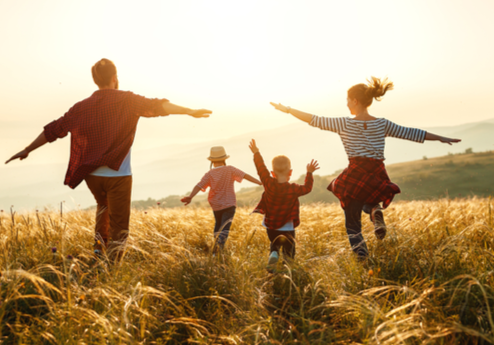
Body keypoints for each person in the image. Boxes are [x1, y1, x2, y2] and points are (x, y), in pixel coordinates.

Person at [6, 58, 212, 260]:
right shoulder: (127, 100)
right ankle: (112, 267)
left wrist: (27, 149)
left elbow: (54, 129)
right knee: (119, 225)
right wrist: (189, 111)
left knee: (103, 208)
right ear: (115, 77)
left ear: (96, 80)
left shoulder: (81, 107)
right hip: (118, 175)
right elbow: (158, 106)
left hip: (92, 176)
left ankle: (98, 251)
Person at [270, 77, 460, 259]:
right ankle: (374, 211)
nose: (346, 104)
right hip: (377, 173)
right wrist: (441, 138)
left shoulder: (344, 123)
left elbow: (314, 119)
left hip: (356, 172)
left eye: (347, 100)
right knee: (368, 199)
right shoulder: (382, 123)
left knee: (352, 224)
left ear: (355, 100)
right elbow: (411, 133)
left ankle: (362, 257)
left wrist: (287, 110)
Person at [248, 139, 319, 271]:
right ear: (290, 172)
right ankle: (288, 268)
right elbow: (307, 188)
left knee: (274, 243)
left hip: (271, 225)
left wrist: (256, 153)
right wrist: (309, 173)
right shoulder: (293, 188)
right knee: (289, 249)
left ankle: (274, 254)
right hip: (287, 226)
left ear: (272, 173)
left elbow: (260, 168)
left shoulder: (268, 183)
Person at [181, 146, 261, 251]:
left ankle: (215, 249)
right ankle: (218, 249)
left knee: (218, 225)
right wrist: (261, 182)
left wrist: (190, 196)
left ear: (212, 161)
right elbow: (245, 175)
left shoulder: (209, 174)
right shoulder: (230, 169)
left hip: (216, 205)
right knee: (225, 228)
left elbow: (199, 186)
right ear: (224, 159)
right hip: (229, 204)